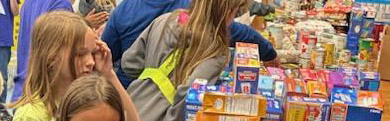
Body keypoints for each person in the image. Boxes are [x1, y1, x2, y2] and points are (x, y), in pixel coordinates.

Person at [6, 11, 139, 121]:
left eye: (92, 53)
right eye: (80, 54)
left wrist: (109, 73)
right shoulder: (32, 116)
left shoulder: (87, 101)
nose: (91, 62)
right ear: (51, 57)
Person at [102, 0, 278, 88]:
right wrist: (269, 52)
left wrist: (145, 79)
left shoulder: (124, 9)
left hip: (131, 95)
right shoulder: (187, 9)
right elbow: (233, 30)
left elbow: (108, 59)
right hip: (170, 107)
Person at [12, 0, 109, 102]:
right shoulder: (60, 4)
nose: (90, 62)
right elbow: (60, 41)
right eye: (81, 54)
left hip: (24, 87)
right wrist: (85, 25)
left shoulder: (29, 3)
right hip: (48, 93)